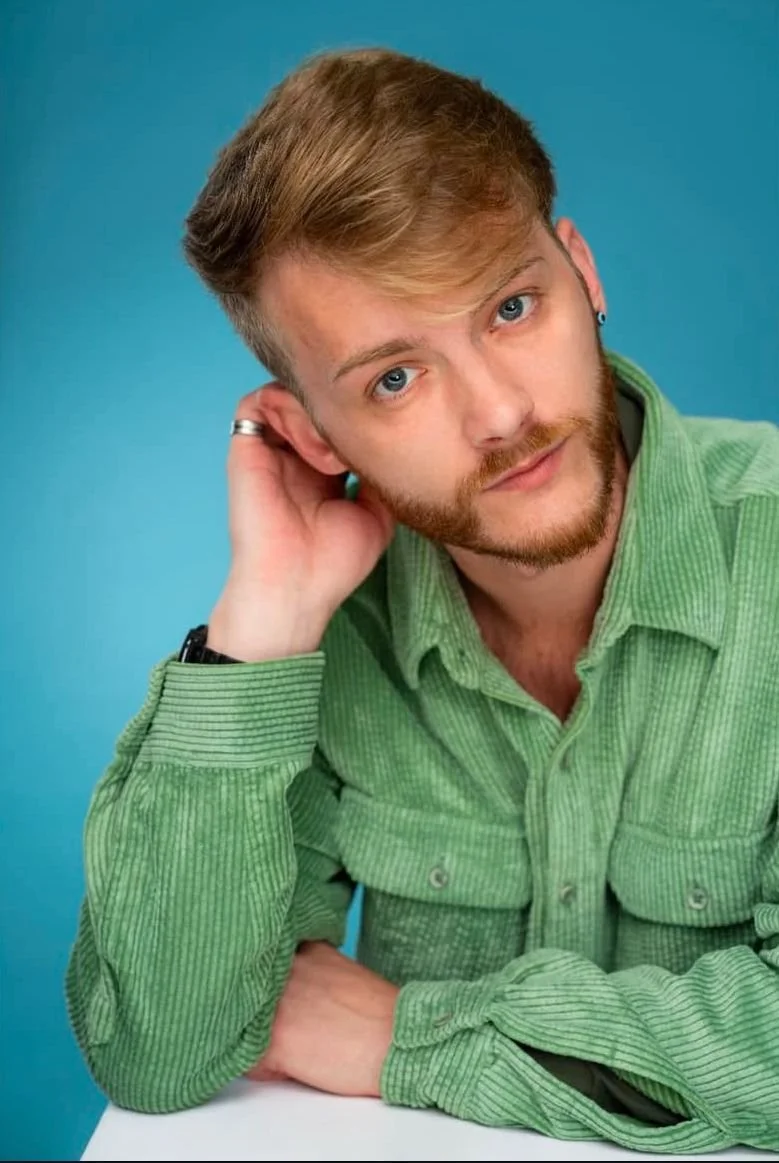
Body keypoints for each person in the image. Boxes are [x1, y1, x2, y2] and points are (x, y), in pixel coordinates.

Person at [66, 47, 779, 1153]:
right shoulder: (329, 627)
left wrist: (409, 1032)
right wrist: (259, 626)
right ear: (309, 432)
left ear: (580, 273)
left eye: (509, 306)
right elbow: (162, 1052)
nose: (498, 414)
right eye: (393, 378)